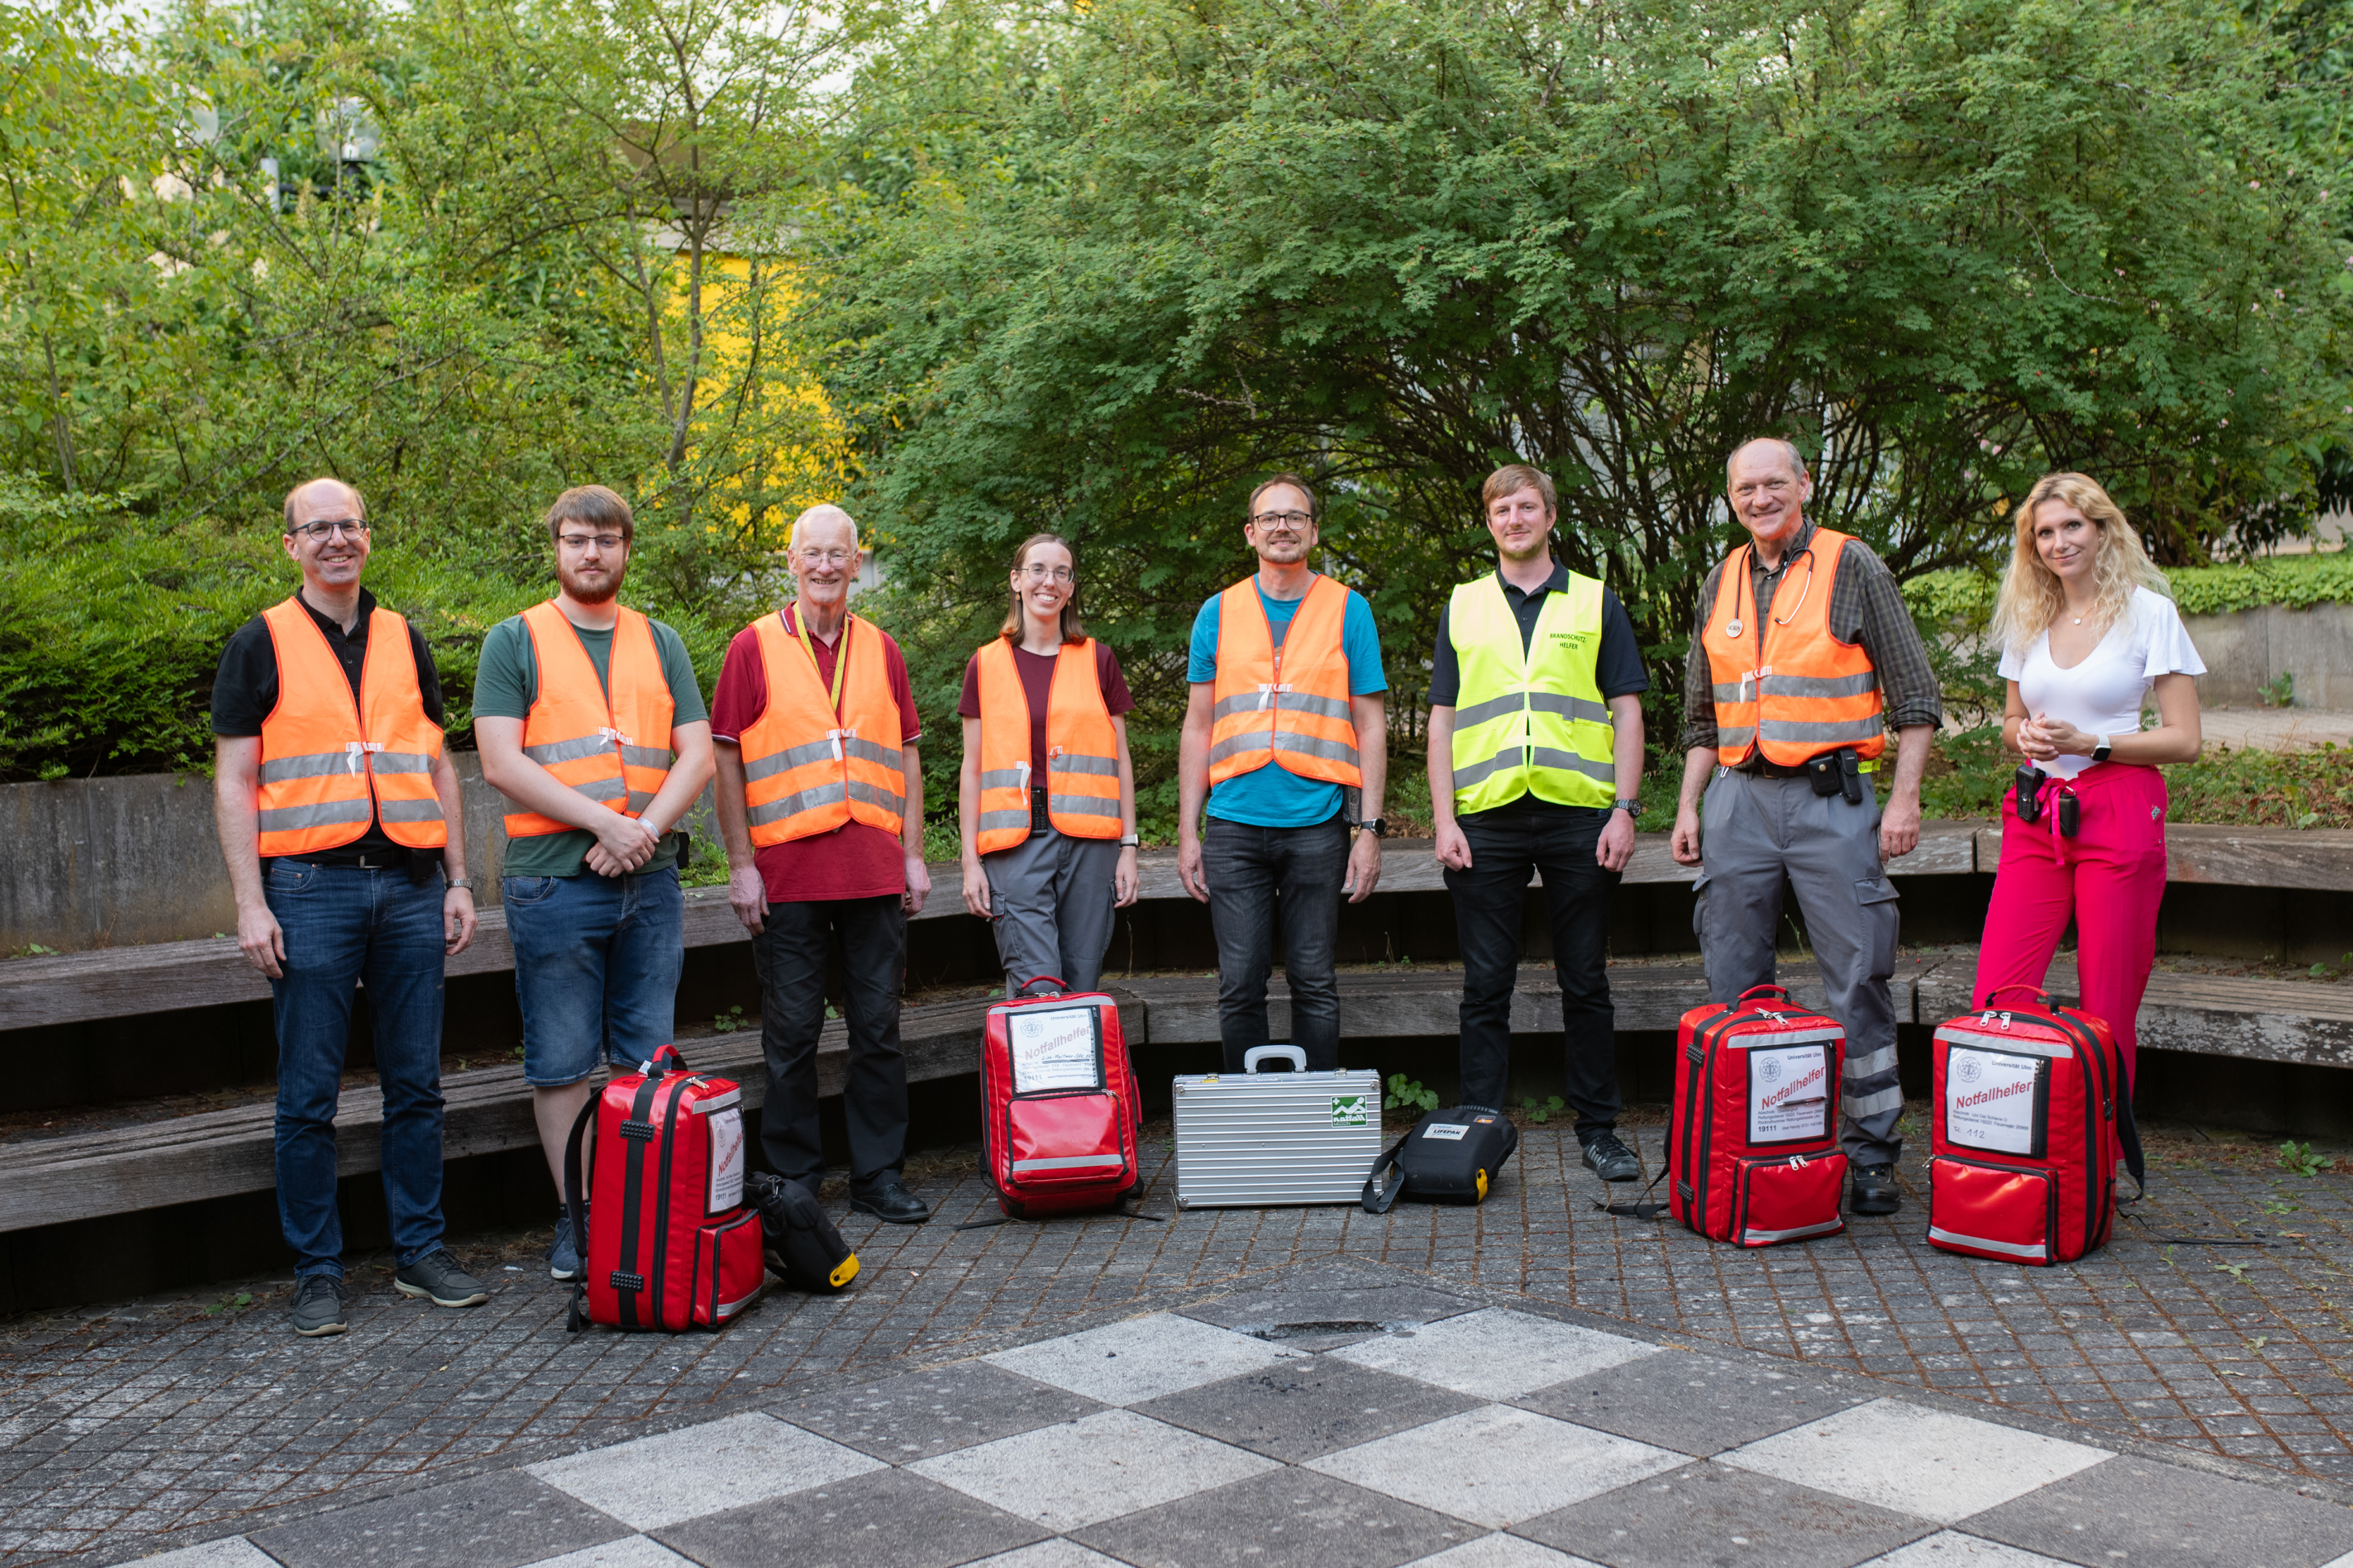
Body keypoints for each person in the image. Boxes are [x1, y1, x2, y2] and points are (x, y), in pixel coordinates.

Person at [211, 477, 488, 1337]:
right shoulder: (259, 642)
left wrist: (458, 877)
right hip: (307, 889)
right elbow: (234, 779)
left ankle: (420, 1250)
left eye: (350, 525)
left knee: (417, 1084)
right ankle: (317, 1270)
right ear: (289, 543)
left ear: (369, 537)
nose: (337, 539)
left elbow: (439, 766)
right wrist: (250, 903)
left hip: (409, 887)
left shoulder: (406, 638)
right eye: (318, 527)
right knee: (307, 1093)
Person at [1669, 439, 1941, 1216]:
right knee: (1733, 982)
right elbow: (1700, 717)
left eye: (1774, 484)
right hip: (1736, 802)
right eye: (1746, 489)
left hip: (1833, 802)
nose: (1761, 498)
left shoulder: (1853, 564)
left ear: (1804, 484)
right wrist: (1689, 806)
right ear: (1730, 498)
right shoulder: (1719, 580)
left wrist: (1904, 800)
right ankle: (1748, 1145)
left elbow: (1917, 698)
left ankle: (1870, 1155)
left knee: (1857, 979)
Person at [474, 485, 716, 1282]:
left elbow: (699, 756)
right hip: (554, 884)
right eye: (577, 540)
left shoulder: (662, 641)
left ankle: (637, 1216)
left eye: (606, 541)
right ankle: (578, 1223)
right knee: (561, 1062)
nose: (591, 553)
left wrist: (639, 830)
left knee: (645, 1060)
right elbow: (503, 764)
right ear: (556, 548)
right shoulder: (515, 642)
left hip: (648, 882)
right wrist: (604, 825)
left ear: (625, 549)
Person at [710, 504, 933, 1223]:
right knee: (791, 1035)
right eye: (814, 553)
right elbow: (726, 758)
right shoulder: (752, 647)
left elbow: (906, 753)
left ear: (856, 560)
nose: (827, 566)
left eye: (839, 554)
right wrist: (740, 863)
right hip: (789, 877)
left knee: (878, 1030)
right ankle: (795, 1180)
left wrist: (915, 855)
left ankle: (878, 1176)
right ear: (791, 560)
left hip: (873, 873)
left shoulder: (884, 649)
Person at [1429, 465, 1650, 1181]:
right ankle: (1480, 1128)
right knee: (1484, 984)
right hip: (1485, 817)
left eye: (1526, 506)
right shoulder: (1462, 605)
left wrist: (1623, 809)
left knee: (1584, 979)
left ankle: (1598, 1129)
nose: (1514, 517)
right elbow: (1442, 721)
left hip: (1577, 817)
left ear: (1550, 516)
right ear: (1488, 521)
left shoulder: (1594, 601)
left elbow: (1626, 710)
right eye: (1501, 508)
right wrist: (1443, 818)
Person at [1973, 473, 2203, 1087]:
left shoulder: (2148, 614)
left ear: (2102, 530)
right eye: (2043, 532)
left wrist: (2094, 744)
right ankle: (2005, 1155)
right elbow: (2010, 720)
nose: (2058, 542)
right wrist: (2021, 736)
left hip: (2118, 808)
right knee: (1998, 992)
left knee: (2107, 1002)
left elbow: (2185, 738)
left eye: (2071, 526)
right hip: (2035, 812)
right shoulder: (2031, 614)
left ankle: (2093, 1166)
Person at [1177, 474, 1388, 1072]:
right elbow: (1198, 726)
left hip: (1317, 823)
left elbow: (1371, 725)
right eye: (1270, 518)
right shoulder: (1217, 613)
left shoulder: (1349, 609)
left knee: (1315, 980)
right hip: (1234, 825)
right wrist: (1188, 832)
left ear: (1313, 532)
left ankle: (1317, 1120)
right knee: (1239, 983)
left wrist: (1369, 829)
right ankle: (1253, 1126)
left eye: (1295, 517)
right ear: (1251, 533)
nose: (1283, 527)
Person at [958, 533, 1142, 994]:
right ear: (1016, 580)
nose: (1050, 581)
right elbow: (973, 768)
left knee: (1082, 980)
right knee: (1037, 987)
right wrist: (969, 862)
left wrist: (1129, 848)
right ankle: (1031, 1069)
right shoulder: (985, 664)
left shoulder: (1099, 660)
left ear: (1072, 586)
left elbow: (1121, 759)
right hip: (1015, 845)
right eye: (1038, 569)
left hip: (1091, 846)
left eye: (1062, 572)